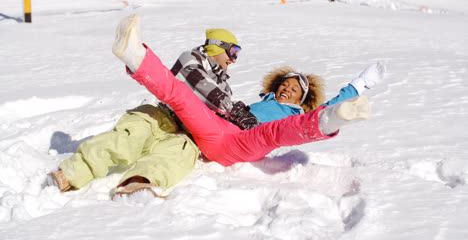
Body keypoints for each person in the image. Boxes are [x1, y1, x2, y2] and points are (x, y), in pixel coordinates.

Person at [113, 14, 386, 169]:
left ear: (301, 101)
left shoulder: (296, 114)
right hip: (216, 130)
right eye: (285, 85)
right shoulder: (252, 102)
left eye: (294, 91)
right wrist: (235, 112)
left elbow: (310, 114)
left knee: (276, 132)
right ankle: (137, 58)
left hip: (248, 142)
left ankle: (332, 120)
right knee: (180, 96)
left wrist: (360, 84)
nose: (286, 90)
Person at [48, 15, 244, 199]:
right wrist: (234, 109)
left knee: (176, 157)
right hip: (160, 115)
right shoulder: (191, 59)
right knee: (127, 138)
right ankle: (72, 172)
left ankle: (139, 183)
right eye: (233, 51)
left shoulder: (225, 87)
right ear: (218, 47)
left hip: (186, 134)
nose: (234, 59)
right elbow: (200, 85)